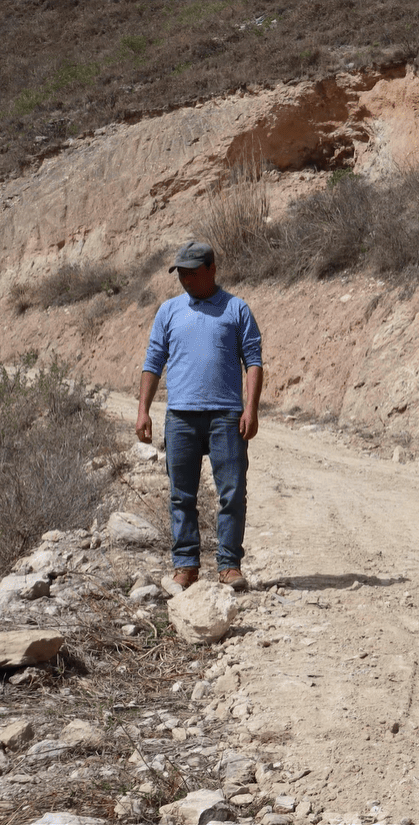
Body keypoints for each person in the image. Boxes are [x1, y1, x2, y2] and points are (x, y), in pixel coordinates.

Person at [135, 241, 263, 593]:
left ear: (212, 269)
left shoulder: (236, 309)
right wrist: (143, 409)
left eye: (193, 273)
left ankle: (228, 565)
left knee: (232, 493)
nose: (186, 280)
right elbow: (153, 362)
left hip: (226, 416)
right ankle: (186, 566)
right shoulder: (169, 311)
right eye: (181, 274)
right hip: (180, 418)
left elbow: (253, 360)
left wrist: (250, 407)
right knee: (181, 496)